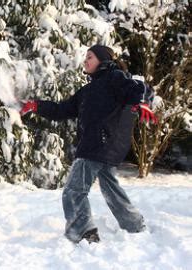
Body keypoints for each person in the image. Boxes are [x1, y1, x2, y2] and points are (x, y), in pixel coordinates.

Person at [20, 45, 157, 244]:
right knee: (111, 190)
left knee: (74, 190)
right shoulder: (88, 90)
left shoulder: (114, 77)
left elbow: (139, 89)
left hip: (96, 144)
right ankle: (135, 226)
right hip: (108, 147)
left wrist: (142, 100)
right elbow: (62, 110)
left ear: (103, 60)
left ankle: (84, 232)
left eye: (90, 57)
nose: (85, 60)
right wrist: (36, 105)